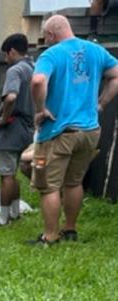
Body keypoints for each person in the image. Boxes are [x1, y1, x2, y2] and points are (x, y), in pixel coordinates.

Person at [29, 15, 118, 245]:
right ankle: (70, 230)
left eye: (46, 36)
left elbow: (38, 81)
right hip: (89, 131)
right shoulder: (96, 51)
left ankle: (50, 236)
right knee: (74, 182)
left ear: (50, 34)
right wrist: (102, 103)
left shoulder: (51, 54)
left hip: (59, 131)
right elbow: (116, 74)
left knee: (49, 186)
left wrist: (40, 109)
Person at [0, 33, 35, 226]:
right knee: (14, 171)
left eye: (5, 55)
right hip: (27, 127)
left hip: (12, 127)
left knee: (6, 175)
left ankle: (3, 218)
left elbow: (10, 97)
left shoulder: (15, 70)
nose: (5, 59)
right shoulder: (33, 68)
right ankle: (16, 213)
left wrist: (3, 118)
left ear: (12, 51)